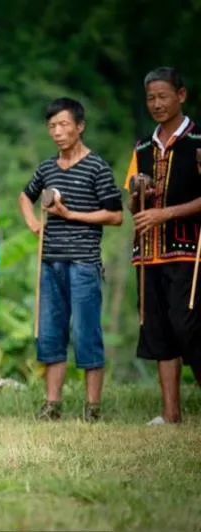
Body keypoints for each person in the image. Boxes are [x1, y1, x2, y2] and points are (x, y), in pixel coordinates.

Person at [19, 97, 123, 422]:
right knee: (50, 333)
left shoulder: (97, 167)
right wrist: (34, 223)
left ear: (80, 126)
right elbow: (26, 196)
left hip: (84, 263)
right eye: (52, 126)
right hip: (50, 262)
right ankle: (53, 404)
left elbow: (116, 215)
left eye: (64, 125)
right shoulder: (48, 168)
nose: (58, 132)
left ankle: (92, 407)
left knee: (86, 332)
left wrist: (70, 214)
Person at [125, 67, 201, 425]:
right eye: (151, 98)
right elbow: (132, 204)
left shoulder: (198, 140)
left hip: (190, 252)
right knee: (158, 329)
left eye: (163, 96)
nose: (156, 104)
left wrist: (166, 213)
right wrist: (141, 192)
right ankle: (171, 414)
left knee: (188, 325)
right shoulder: (142, 146)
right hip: (148, 253)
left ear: (181, 96)